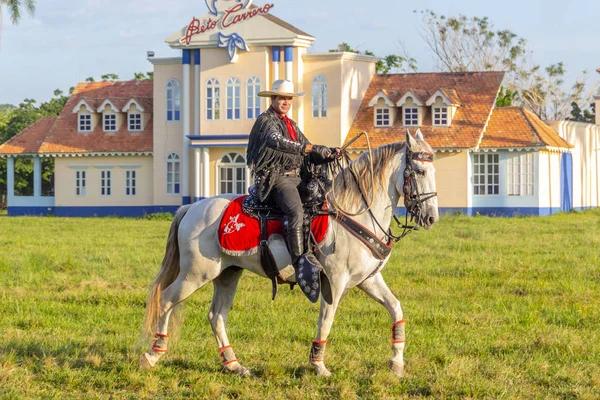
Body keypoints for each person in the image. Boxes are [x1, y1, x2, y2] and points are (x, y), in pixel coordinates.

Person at [246, 80, 340, 301]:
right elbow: (276, 141)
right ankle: (300, 261)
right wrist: (307, 148)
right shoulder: (265, 122)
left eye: (289, 98)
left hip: (296, 177)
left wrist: (326, 152)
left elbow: (308, 148)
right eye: (282, 98)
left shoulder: (291, 124)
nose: (286, 102)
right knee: (295, 211)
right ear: (273, 99)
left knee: (319, 200)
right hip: (277, 178)